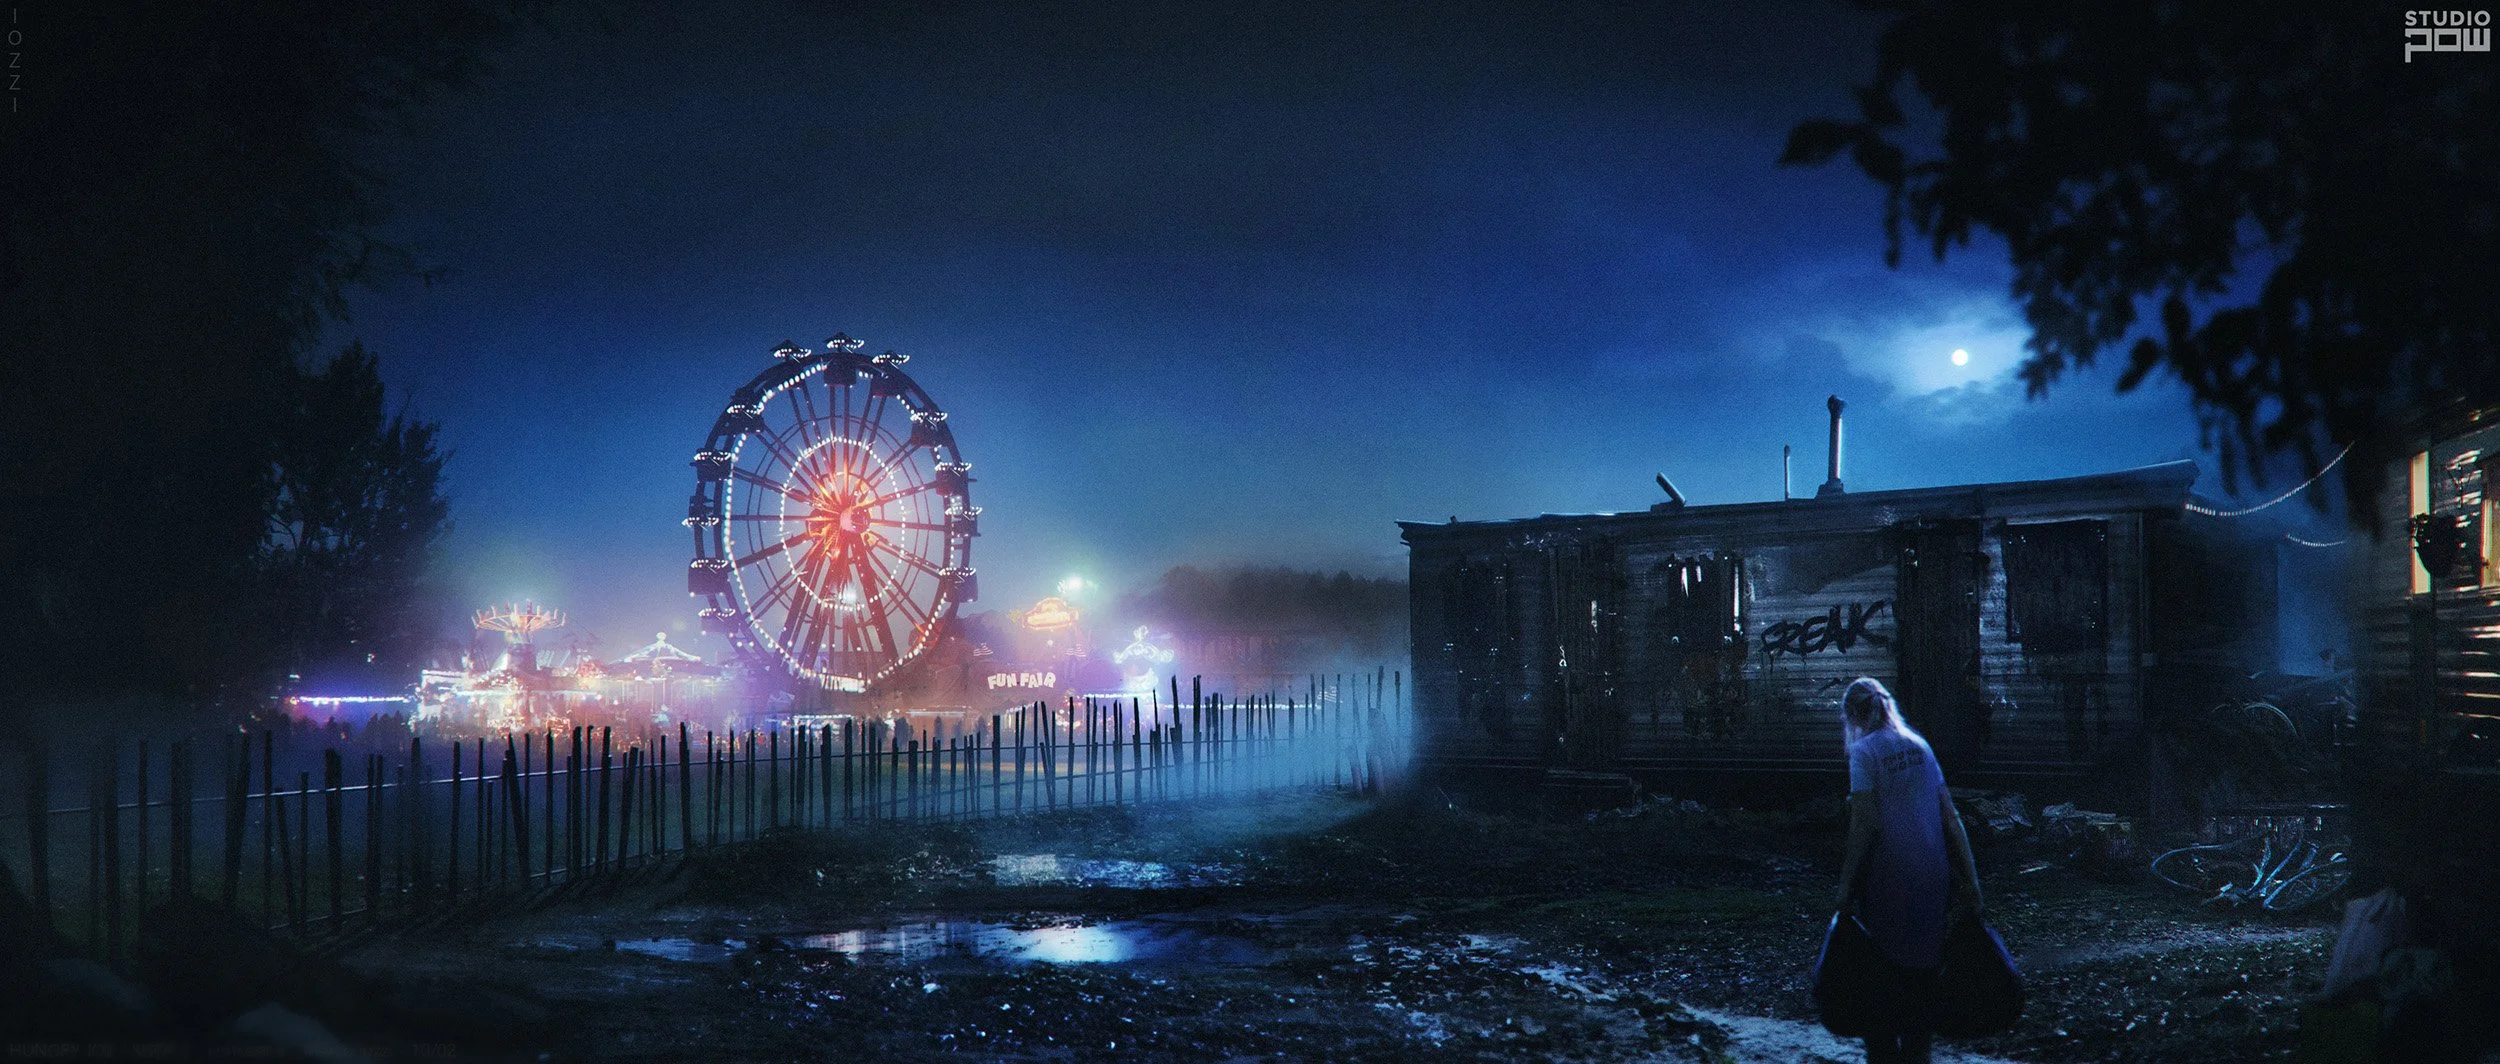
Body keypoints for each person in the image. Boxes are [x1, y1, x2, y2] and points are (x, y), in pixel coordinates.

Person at [1833, 676, 1983, 1064]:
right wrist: (1971, 882)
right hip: (1933, 879)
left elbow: (1865, 824)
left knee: (1880, 991)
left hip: (1889, 882)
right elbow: (1952, 820)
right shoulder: (1920, 746)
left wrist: (1846, 885)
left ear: (1853, 715)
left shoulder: (1865, 753)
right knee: (1921, 987)